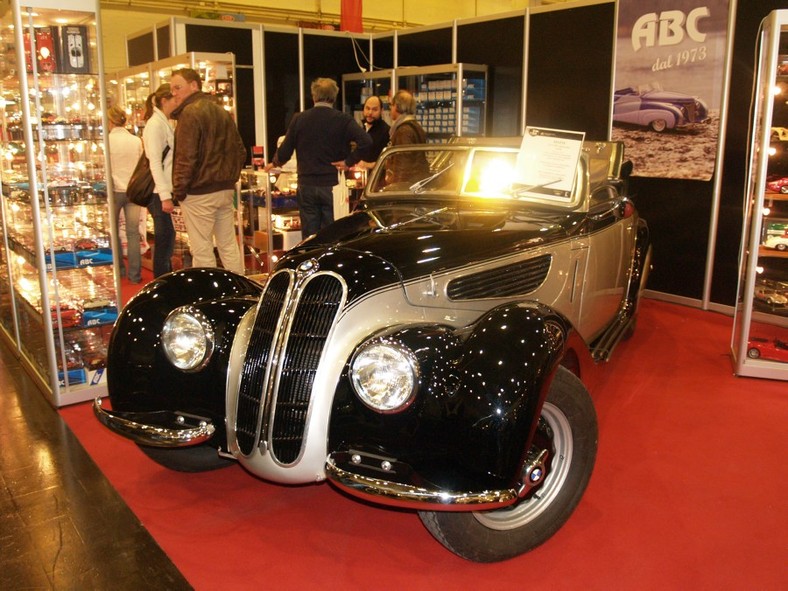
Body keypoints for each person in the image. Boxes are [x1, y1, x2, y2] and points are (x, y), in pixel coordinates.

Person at [265, 77, 372, 237]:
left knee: (309, 235)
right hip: (331, 185)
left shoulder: (299, 119)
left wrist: (273, 163)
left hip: (306, 184)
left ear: (314, 96)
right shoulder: (343, 120)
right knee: (332, 233)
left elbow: (285, 151)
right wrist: (348, 162)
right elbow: (366, 141)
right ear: (334, 97)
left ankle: (311, 259)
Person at [169, 67, 246, 274]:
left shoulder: (189, 114)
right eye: (172, 89)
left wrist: (179, 191)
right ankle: (240, 289)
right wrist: (230, 177)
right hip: (223, 190)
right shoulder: (221, 111)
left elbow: (186, 157)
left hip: (199, 193)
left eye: (178, 87)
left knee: (202, 249)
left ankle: (208, 298)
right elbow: (240, 151)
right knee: (228, 245)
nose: (174, 93)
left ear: (193, 86)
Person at [142, 83, 176, 277]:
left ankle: (165, 280)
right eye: (174, 99)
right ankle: (162, 282)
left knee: (167, 241)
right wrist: (164, 196)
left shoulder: (163, 123)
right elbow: (155, 162)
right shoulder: (155, 125)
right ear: (165, 101)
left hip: (164, 190)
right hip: (158, 193)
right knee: (164, 242)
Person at [107, 105, 144, 284]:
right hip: (133, 190)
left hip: (114, 190)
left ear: (110, 121)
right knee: (133, 234)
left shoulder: (106, 141)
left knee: (113, 232)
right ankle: (135, 275)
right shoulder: (135, 141)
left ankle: (120, 270)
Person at [385, 89, 429, 185]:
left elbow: (403, 162)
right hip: (417, 181)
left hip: (407, 184)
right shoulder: (415, 126)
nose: (390, 109)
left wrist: (397, 186)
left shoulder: (403, 130)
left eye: (391, 106)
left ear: (397, 106)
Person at [357, 95, 390, 169]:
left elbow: (390, 162)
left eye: (374, 110)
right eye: (367, 108)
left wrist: (369, 165)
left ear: (381, 111)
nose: (370, 112)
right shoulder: (360, 129)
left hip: (378, 178)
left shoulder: (387, 132)